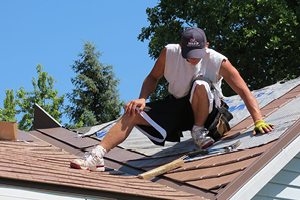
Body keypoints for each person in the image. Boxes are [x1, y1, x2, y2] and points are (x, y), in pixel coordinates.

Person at [70, 27, 273, 172]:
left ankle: (198, 131)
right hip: (178, 106)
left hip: (209, 111)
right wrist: (142, 98)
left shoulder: (218, 60)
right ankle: (96, 156)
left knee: (200, 83)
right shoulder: (170, 52)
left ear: (207, 46)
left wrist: (258, 120)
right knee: (133, 112)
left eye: (197, 54)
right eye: (189, 55)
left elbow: (243, 89)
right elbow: (152, 77)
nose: (193, 59)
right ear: (180, 47)